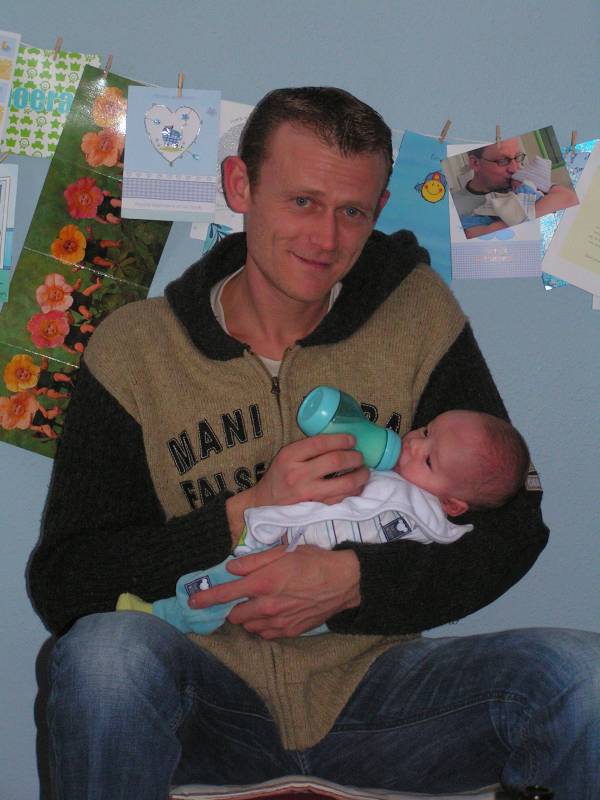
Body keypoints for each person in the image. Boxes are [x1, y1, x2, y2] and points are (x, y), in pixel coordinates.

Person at [27, 87, 599, 799]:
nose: (326, 240)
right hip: (204, 702)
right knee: (104, 657)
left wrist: (354, 583)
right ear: (241, 186)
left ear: (379, 208)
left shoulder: (418, 315)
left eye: (352, 211)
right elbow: (65, 585)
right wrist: (241, 513)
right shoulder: (133, 350)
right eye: (302, 201)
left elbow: (511, 525)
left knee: (584, 679)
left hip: (386, 702)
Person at [116, 409, 530, 636]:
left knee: (218, 588)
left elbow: (483, 552)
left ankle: (161, 617)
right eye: (425, 430)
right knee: (225, 576)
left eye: (428, 460)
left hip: (302, 585)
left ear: (452, 504)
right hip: (281, 540)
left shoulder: (426, 519)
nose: (412, 444)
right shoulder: (392, 472)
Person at [450, 138, 578, 239]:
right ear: (475, 163)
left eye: (517, 157)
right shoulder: (453, 207)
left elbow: (570, 198)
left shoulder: (523, 182)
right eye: (503, 160)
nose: (515, 168)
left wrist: (497, 227)